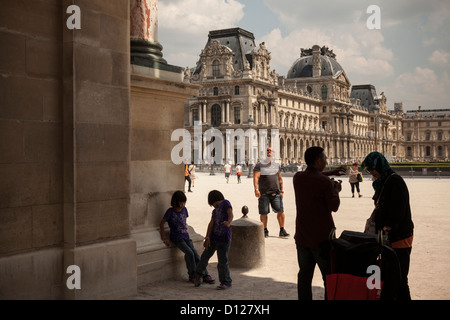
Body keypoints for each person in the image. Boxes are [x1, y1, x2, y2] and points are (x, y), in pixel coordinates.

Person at [293, 146, 345, 300]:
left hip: (302, 236)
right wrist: (336, 190)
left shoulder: (298, 177)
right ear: (318, 160)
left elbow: (311, 175)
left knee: (304, 275)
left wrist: (331, 173)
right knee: (329, 276)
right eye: (324, 158)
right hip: (322, 238)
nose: (326, 160)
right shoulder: (325, 182)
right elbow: (334, 207)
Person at [361, 152, 414, 300]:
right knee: (391, 275)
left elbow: (399, 209)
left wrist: (388, 228)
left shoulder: (395, 181)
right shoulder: (384, 181)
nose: (371, 173)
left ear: (379, 166)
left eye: (372, 169)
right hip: (388, 236)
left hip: (399, 236)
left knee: (400, 276)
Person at [159, 191, 214, 284]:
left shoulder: (185, 210)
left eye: (183, 202)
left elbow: (184, 223)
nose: (182, 205)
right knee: (189, 253)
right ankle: (192, 275)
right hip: (177, 238)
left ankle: (204, 274)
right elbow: (161, 224)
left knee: (195, 254)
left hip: (186, 236)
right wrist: (164, 237)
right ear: (175, 202)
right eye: (180, 202)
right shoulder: (170, 211)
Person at [194, 190, 233, 290]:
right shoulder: (214, 211)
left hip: (224, 238)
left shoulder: (225, 203)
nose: (214, 206)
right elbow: (211, 224)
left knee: (222, 261)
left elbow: (230, 214)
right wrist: (207, 237)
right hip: (214, 238)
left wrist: (229, 222)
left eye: (214, 204)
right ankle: (198, 274)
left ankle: (225, 281)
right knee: (204, 257)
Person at [253, 147, 290, 238]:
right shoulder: (259, 165)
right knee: (264, 213)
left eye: (271, 151)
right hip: (264, 193)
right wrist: (256, 189)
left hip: (276, 192)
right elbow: (256, 178)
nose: (269, 152)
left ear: (273, 153)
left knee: (280, 211)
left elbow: (280, 179)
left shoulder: (276, 165)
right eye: (267, 150)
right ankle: (264, 230)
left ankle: (282, 229)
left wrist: (282, 191)